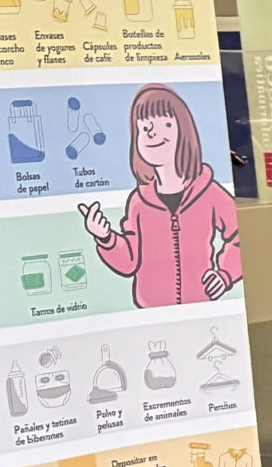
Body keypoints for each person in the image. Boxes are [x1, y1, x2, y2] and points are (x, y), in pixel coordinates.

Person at [78, 84, 241, 307]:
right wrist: (105, 237)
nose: (153, 133)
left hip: (201, 309)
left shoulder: (210, 193)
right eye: (145, 128)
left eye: (165, 124)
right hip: (151, 312)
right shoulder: (138, 202)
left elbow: (240, 235)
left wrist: (225, 274)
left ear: (183, 131)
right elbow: (129, 261)